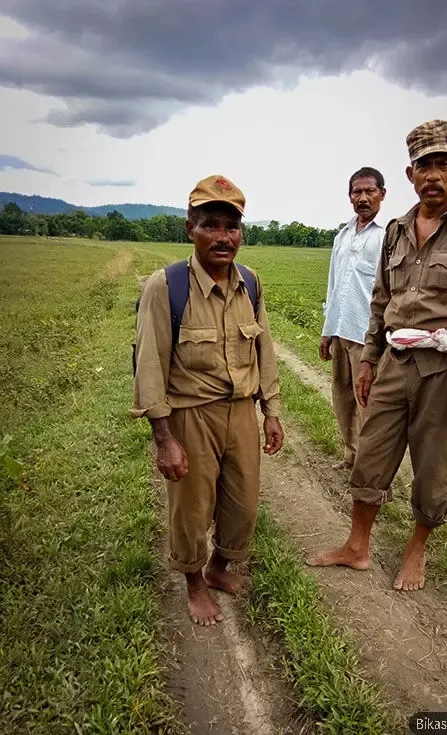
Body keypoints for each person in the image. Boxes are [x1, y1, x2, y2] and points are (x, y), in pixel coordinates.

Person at [308, 120, 447, 591]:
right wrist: (369, 360)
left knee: (432, 465)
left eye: (442, 164)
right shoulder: (396, 231)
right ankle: (356, 547)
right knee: (371, 455)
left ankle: (416, 551)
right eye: (424, 165)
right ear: (410, 172)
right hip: (394, 364)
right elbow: (381, 301)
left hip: (444, 370)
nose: (433, 174)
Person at [132, 175, 284, 625]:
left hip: (240, 413)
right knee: (191, 508)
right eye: (211, 225)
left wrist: (271, 411)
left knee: (242, 505)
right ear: (190, 229)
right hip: (189, 416)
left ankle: (219, 568)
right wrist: (165, 439)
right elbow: (150, 367)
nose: (223, 237)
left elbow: (265, 351)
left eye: (231, 227)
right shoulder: (166, 287)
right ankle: (194, 582)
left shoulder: (250, 283)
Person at [320, 167, 386, 471]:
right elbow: (334, 284)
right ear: (350, 197)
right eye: (356, 192)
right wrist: (326, 330)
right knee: (343, 396)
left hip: (367, 336)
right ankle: (350, 454)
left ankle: (367, 464)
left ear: (382, 195)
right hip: (341, 330)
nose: (362, 198)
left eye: (369, 191)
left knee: (366, 403)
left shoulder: (387, 237)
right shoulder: (342, 236)